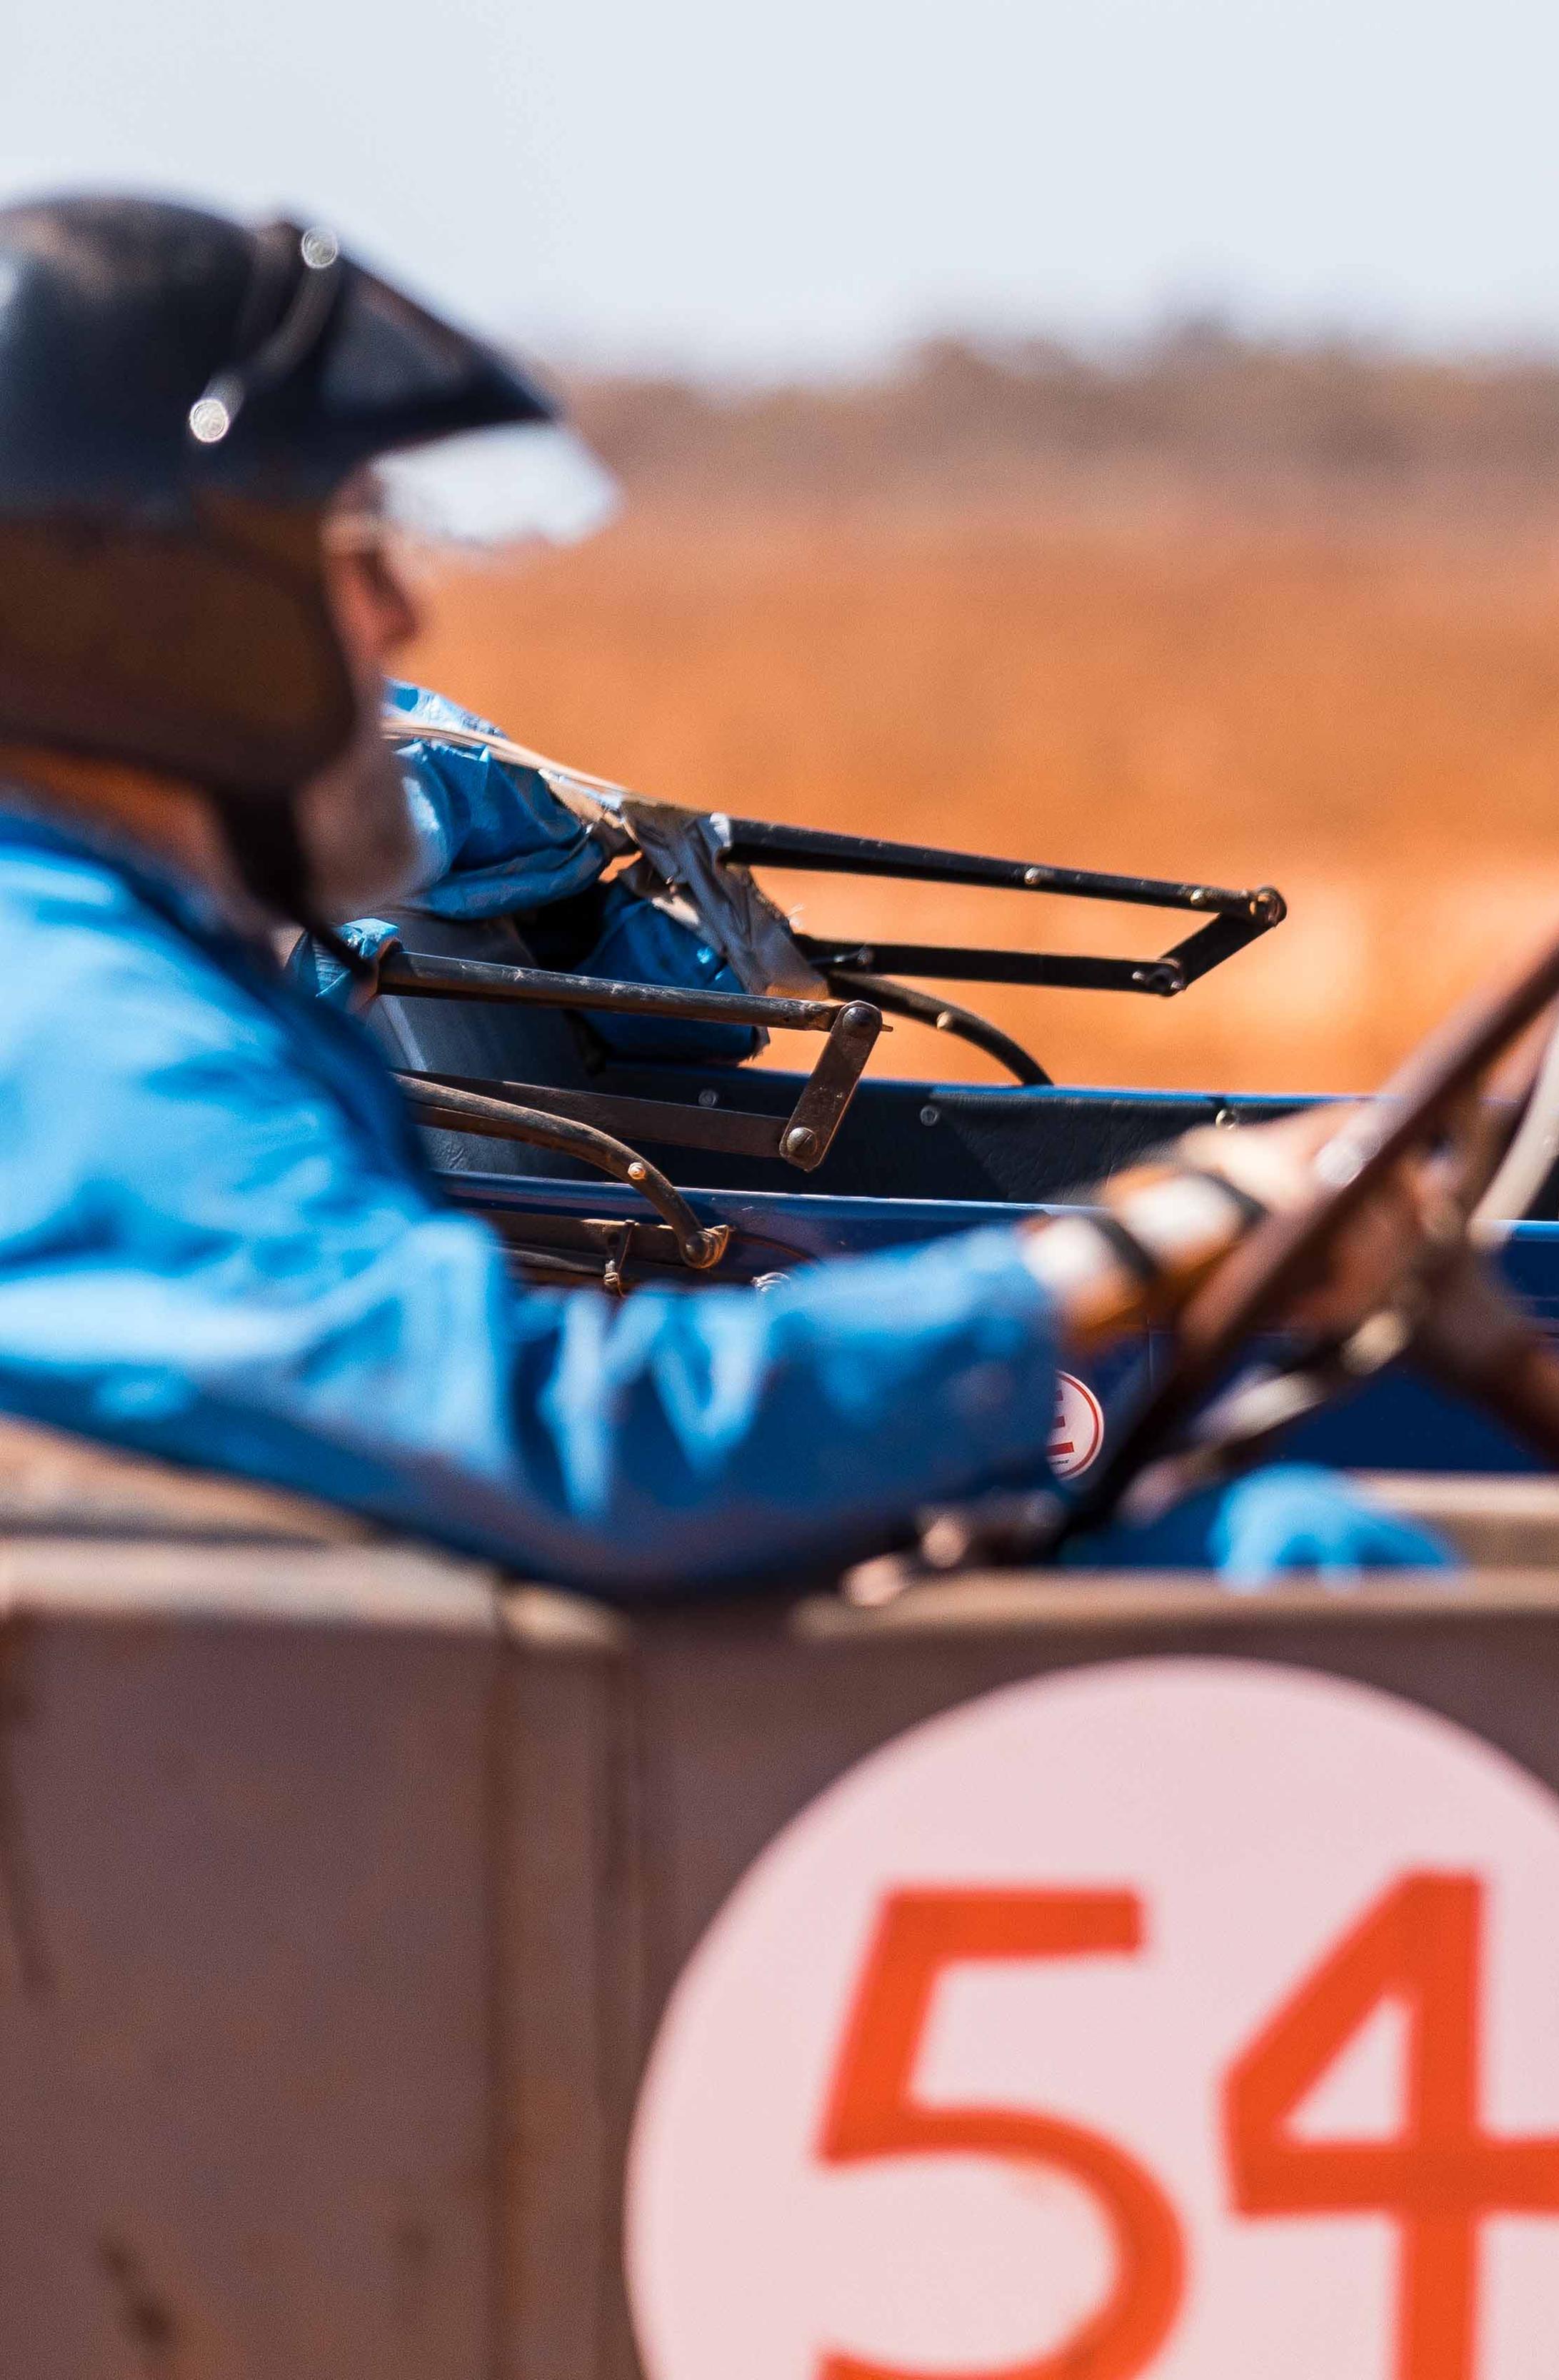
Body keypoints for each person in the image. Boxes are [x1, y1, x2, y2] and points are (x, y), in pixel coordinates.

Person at [0, 193, 1440, 1592]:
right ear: (160, 616)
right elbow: (560, 1443)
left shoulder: (103, 962)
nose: (405, 620)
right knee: (1300, 1564)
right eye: (349, 554)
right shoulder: (83, 1025)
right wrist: (1120, 1255)